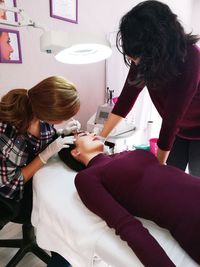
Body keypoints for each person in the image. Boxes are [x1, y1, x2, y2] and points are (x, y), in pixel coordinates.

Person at [58, 132, 200, 267]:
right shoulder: (87, 177)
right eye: (84, 135)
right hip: (192, 217)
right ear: (75, 152)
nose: (93, 134)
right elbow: (126, 225)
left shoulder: (122, 153)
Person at [100, 0, 200, 176]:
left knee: (193, 180)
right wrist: (101, 138)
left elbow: (172, 119)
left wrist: (157, 173)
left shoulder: (191, 58)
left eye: (135, 57)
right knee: (171, 176)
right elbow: (125, 100)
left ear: (157, 46)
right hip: (178, 130)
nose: (133, 61)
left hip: (195, 127)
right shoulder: (142, 57)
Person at [0, 76, 81, 267]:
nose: (66, 120)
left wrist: (61, 134)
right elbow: (11, 183)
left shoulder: (38, 114)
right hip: (8, 198)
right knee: (57, 213)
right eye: (63, 117)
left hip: (31, 180)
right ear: (49, 113)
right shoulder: (9, 132)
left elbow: (41, 142)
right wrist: (46, 155)